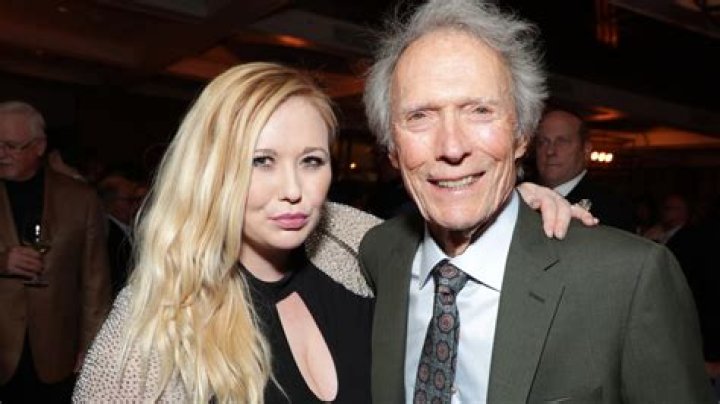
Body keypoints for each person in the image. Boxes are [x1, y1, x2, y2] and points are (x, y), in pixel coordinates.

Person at [74, 62, 592, 403]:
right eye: (262, 161)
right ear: (212, 169)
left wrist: (510, 202)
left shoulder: (348, 240)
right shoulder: (157, 320)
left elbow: (450, 242)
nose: (294, 191)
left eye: (311, 161)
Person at [359, 0, 714, 403]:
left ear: (522, 136)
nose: (452, 147)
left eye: (480, 111)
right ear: (391, 148)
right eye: (420, 116)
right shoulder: (379, 252)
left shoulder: (629, 280)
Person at [0, 101, 111, 402]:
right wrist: (3, 261)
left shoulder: (80, 199)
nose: (1, 153)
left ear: (39, 147)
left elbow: (95, 282)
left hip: (55, 350)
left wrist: (92, 348)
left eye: (11, 146)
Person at [535, 108, 634, 231]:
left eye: (562, 142)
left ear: (586, 150)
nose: (550, 151)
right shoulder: (522, 198)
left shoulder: (611, 206)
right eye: (542, 142)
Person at [97, 173, 140, 296]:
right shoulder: (107, 234)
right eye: (129, 200)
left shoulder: (132, 229)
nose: (135, 205)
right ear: (110, 202)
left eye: (136, 200)